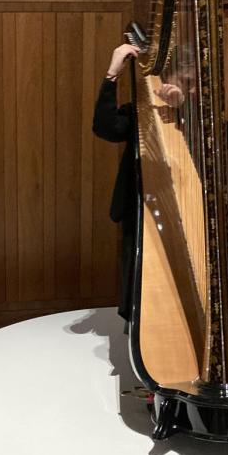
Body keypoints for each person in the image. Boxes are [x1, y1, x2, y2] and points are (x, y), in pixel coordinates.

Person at [92, 42, 140, 324]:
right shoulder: (139, 113)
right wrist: (112, 75)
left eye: (190, 84)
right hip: (138, 209)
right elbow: (105, 126)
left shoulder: (198, 115)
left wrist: (184, 109)